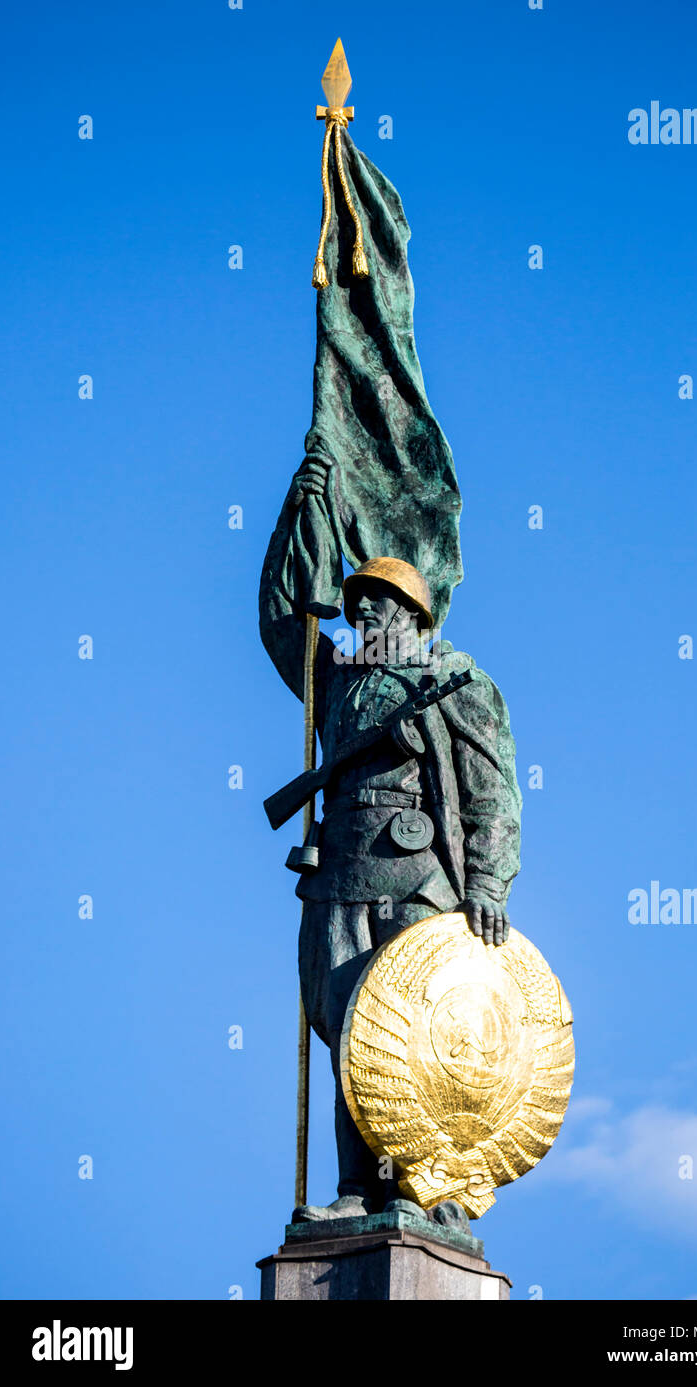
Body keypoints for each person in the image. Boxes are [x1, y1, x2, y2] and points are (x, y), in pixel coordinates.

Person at [259, 455, 522, 1224]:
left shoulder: (456, 683)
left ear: (413, 615)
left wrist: (489, 883)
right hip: (340, 870)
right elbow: (284, 619)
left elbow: (491, 792)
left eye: (378, 604)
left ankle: (424, 1187)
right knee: (350, 1033)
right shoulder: (335, 678)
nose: (362, 614)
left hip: (419, 878)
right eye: (359, 602)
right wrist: (296, 518)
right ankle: (354, 1191)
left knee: (414, 1030)